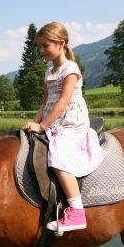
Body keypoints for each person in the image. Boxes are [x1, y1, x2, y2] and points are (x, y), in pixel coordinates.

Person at [23, 22, 104, 232]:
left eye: (45, 46)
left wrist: (42, 126)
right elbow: (45, 102)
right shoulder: (50, 71)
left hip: (70, 122)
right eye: (39, 46)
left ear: (61, 44)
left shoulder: (70, 69)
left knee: (59, 159)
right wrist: (34, 123)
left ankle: (77, 212)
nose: (41, 51)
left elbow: (63, 102)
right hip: (53, 119)